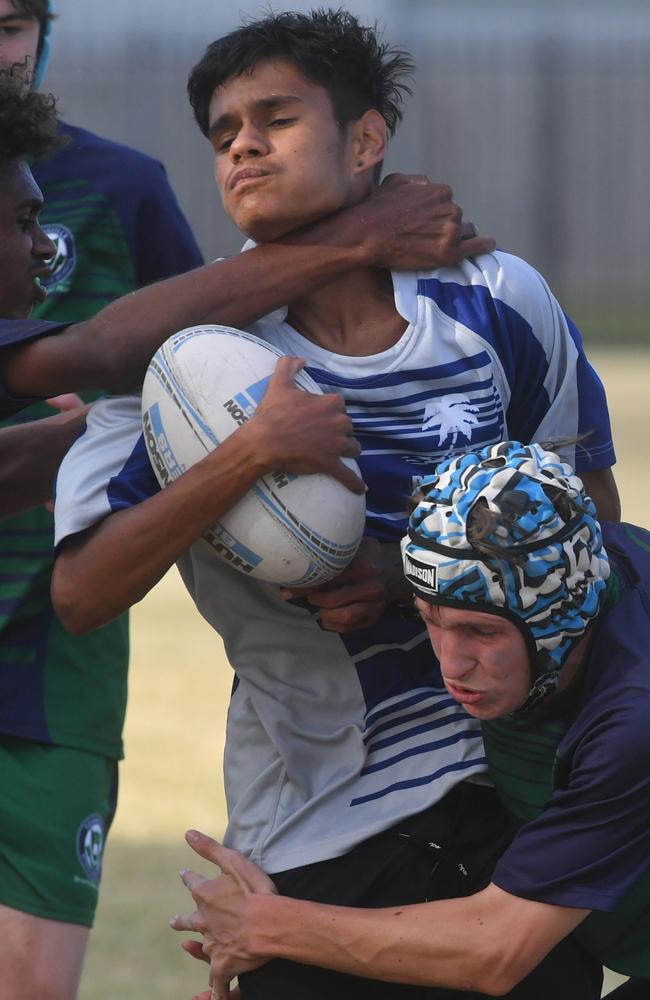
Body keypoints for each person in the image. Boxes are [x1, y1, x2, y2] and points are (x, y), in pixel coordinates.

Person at [52, 10, 619, 999]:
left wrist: (409, 577)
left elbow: (592, 527)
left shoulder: (497, 301)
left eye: (275, 117)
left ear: (365, 140)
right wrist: (245, 460)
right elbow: (80, 593)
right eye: (224, 132)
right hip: (313, 841)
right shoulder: (187, 363)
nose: (243, 145)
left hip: (514, 803)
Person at [0, 51, 486, 1000]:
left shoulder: (498, 303)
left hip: (459, 786)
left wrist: (151, 430)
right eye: (24, 224)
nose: (48, 250)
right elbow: (100, 349)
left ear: (368, 137)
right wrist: (357, 239)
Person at [170, 441, 649, 1000]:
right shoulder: (579, 559)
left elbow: (496, 949)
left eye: (481, 633)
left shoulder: (631, 718)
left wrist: (258, 925)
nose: (451, 663)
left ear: (557, 625)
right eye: (432, 621)